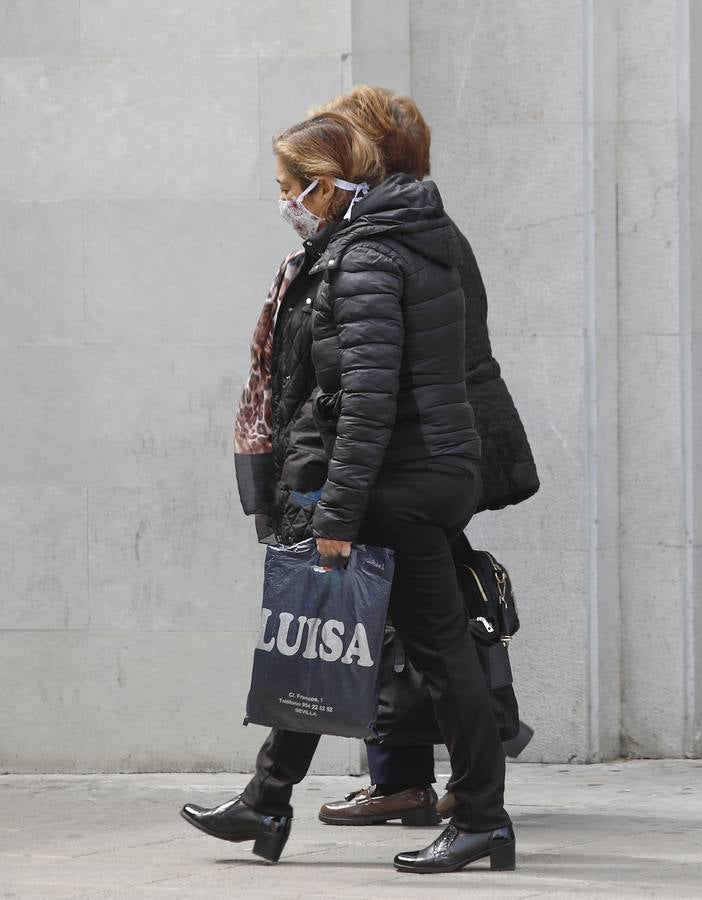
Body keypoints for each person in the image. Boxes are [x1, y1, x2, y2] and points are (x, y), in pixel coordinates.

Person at [182, 110, 515, 875]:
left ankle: (480, 819)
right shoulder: (399, 240)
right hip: (417, 469)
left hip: (396, 480)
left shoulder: (365, 259)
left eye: (288, 188)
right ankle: (266, 800)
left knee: (439, 654)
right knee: (326, 629)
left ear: (326, 188)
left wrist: (336, 514)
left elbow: (366, 399)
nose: (285, 202)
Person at [310, 85, 539, 830]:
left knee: (422, 631)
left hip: (402, 465)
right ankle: (401, 784)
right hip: (414, 461)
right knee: (402, 627)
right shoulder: (403, 233)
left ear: (363, 154)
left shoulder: (386, 243)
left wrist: (338, 489)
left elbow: (386, 380)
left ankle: (469, 799)